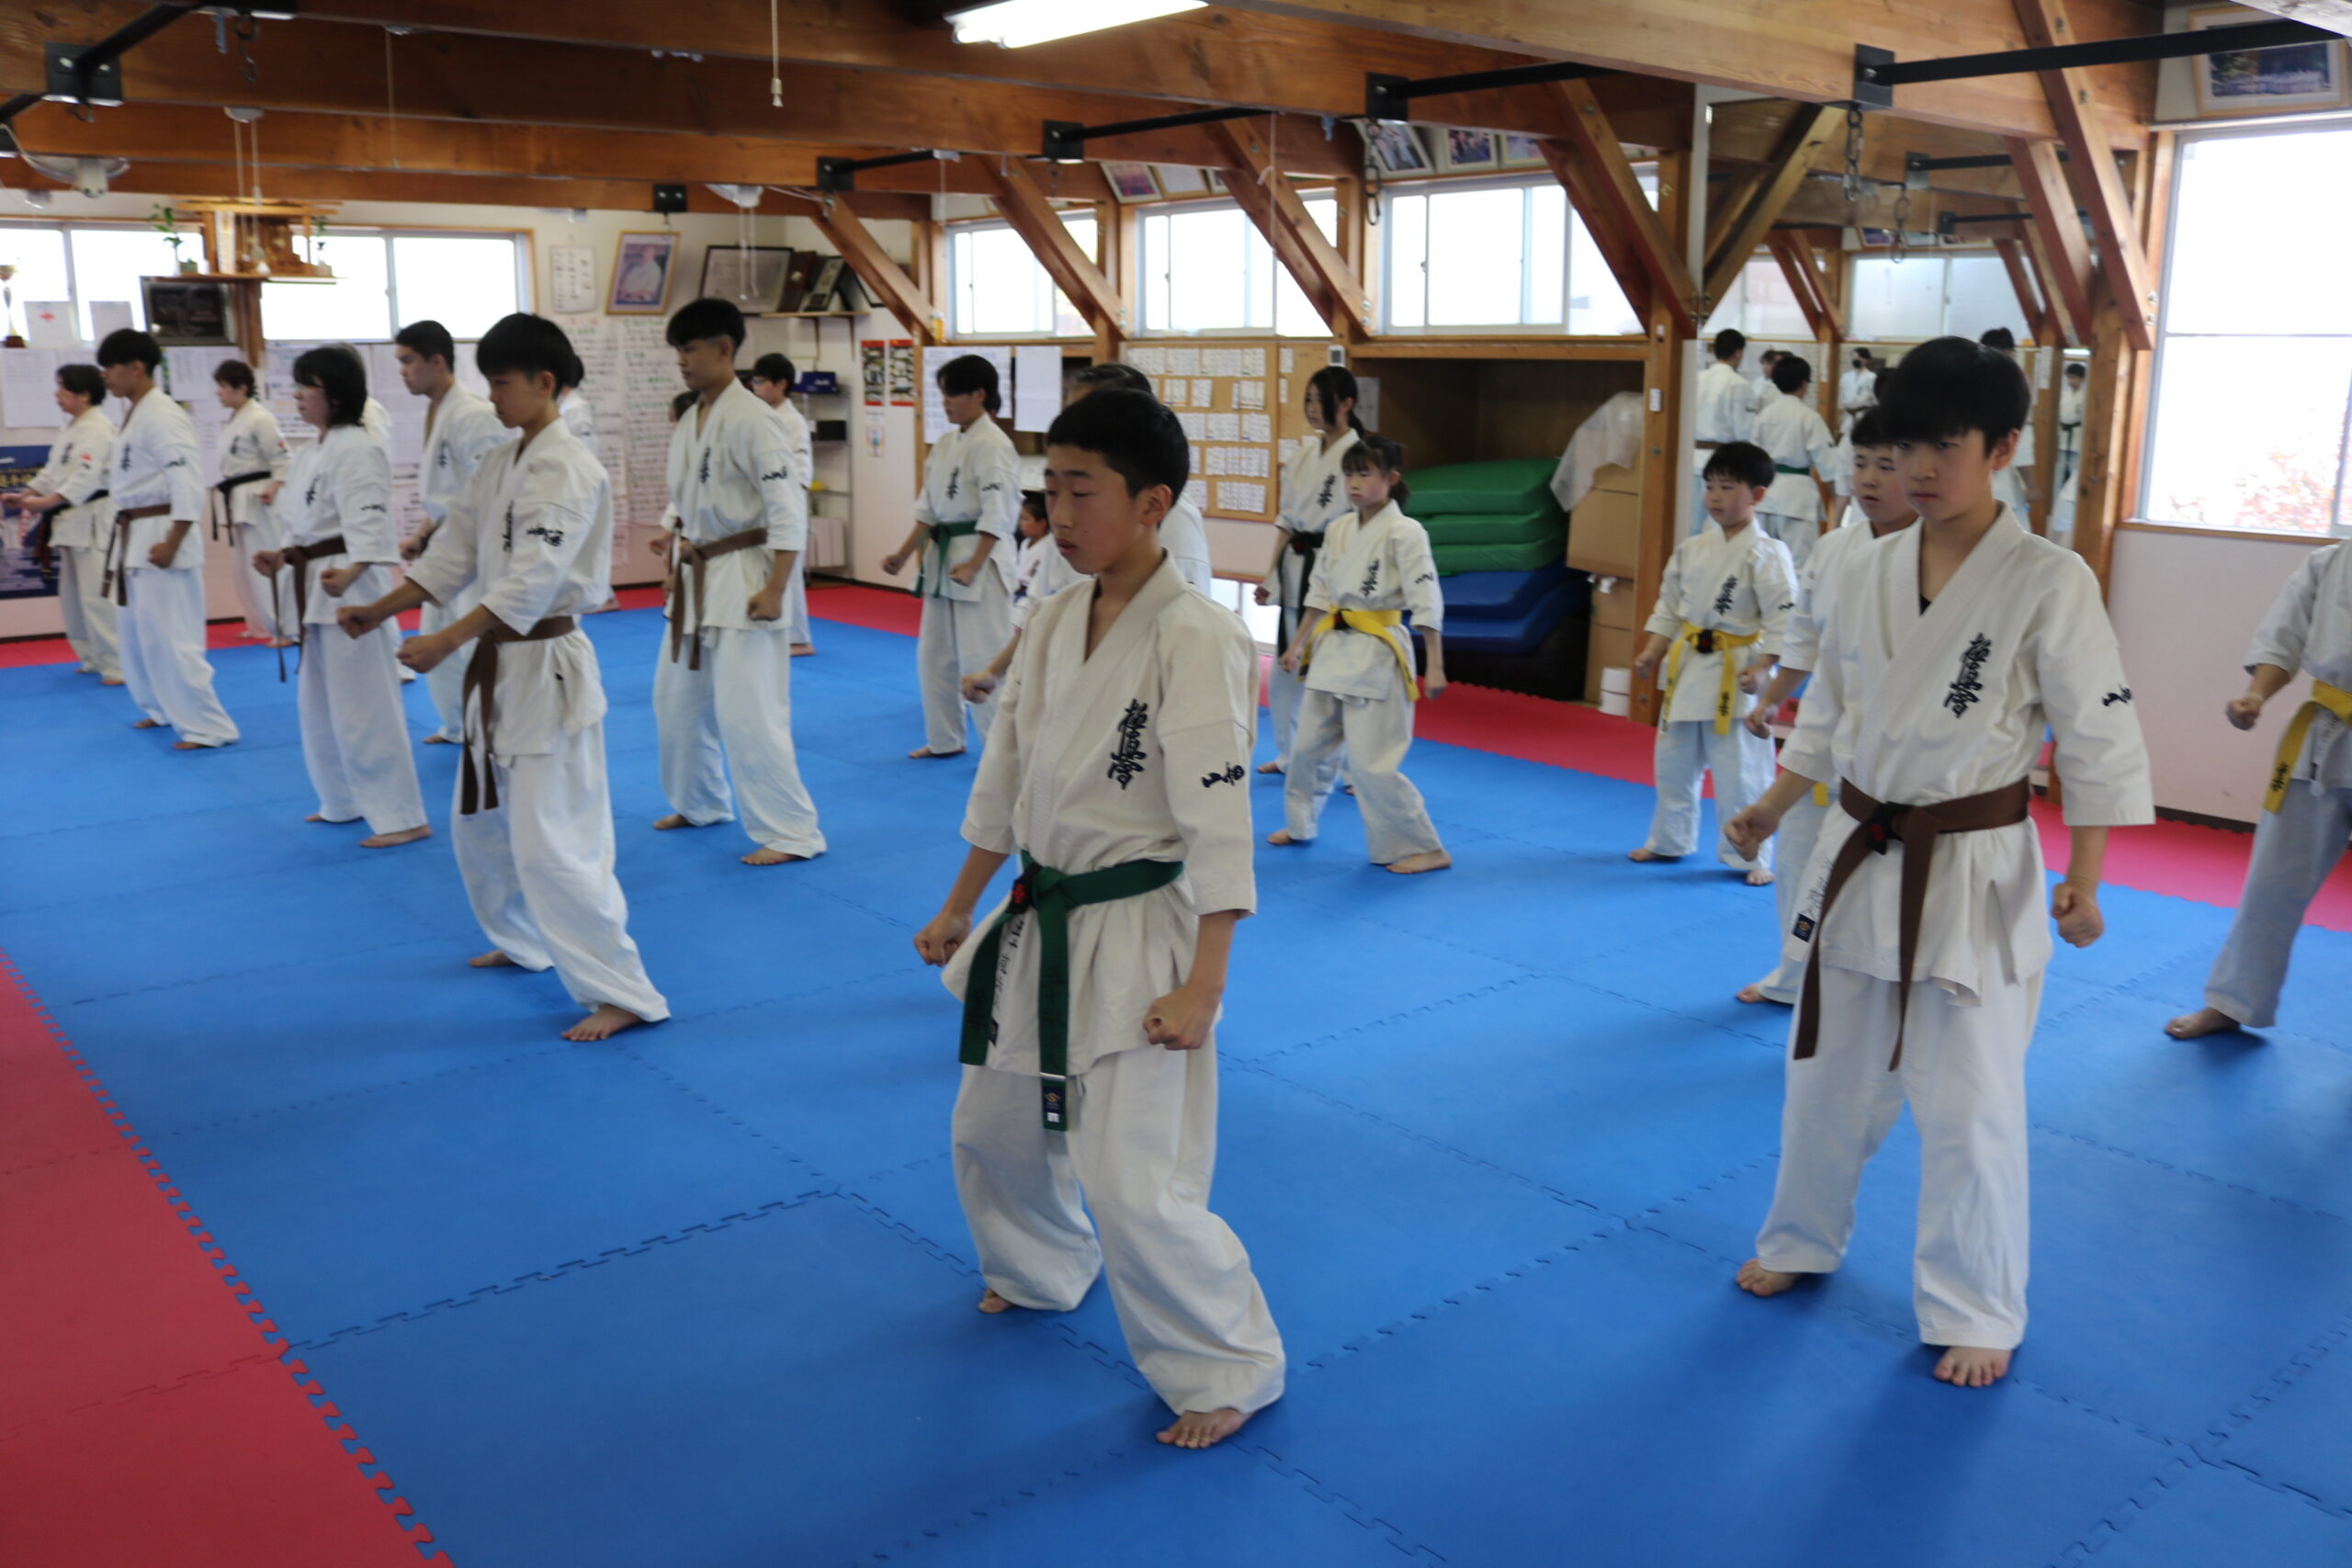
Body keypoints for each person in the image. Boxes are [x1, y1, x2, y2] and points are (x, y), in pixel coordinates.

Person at [1723, 335, 2152, 1389]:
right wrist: (1770, 806)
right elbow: (1828, 713)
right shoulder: (1860, 563)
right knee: (1824, 1075)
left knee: (1969, 1100)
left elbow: (2095, 737)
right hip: (1860, 850)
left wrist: (2086, 879)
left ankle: (1978, 1305)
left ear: (2001, 449)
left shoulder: (2048, 580)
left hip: (1970, 864)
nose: (1916, 469)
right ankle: (1799, 1238)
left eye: (1942, 447)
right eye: (1903, 445)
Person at [911, 387, 1283, 1452]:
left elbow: (1221, 818)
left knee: (1134, 1180)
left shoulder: (1197, 636)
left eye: (1083, 492)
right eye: (1052, 490)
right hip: (1039, 912)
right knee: (990, 1127)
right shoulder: (1052, 619)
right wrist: (960, 901)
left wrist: (1205, 983)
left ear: (1152, 503)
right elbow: (1006, 774)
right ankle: (1039, 1264)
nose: (1060, 514)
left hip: (1138, 929)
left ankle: (1227, 1364)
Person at [341, 313, 668, 1043]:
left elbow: (532, 580)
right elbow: (452, 554)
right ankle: (522, 940)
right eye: (487, 381)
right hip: (497, 668)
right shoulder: (500, 462)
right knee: (481, 825)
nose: (492, 396)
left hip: (544, 666)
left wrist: (445, 637)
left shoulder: (567, 467)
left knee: (555, 839)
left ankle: (624, 992)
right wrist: (379, 609)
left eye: (501, 382)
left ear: (544, 382)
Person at [1736, 410, 1917, 1006]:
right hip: (1823, 736)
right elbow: (1805, 638)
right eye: (1860, 463)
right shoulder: (1836, 546)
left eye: (1885, 466)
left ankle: (1866, 991)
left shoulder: (1940, 557)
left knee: (1876, 883)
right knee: (1797, 857)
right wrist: (1771, 699)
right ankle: (1794, 974)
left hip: (1896, 755)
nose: (1868, 478)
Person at [651, 297, 825, 866]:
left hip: (745, 576)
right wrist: (674, 568)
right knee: (675, 703)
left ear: (724, 350)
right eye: (678, 350)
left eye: (690, 349)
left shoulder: (755, 419)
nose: (682, 360)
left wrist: (776, 588)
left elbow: (788, 511)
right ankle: (700, 802)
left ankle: (792, 832)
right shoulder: (692, 420)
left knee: (750, 713)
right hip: (697, 576)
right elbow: (688, 508)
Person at [2165, 539, 2352, 1043]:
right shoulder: (2329, 563)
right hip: (2324, 736)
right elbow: (2283, 638)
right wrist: (2255, 695)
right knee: (2273, 881)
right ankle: (2234, 1001)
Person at [958, 366, 1215, 714]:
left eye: (1094, 413)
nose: (1080, 425)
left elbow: (1184, 627)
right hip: (1063, 681)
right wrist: (996, 670)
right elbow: (1041, 604)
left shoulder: (1173, 517)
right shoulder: (1071, 516)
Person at [253, 346, 430, 850]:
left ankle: (402, 816)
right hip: (314, 583)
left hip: (349, 589)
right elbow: (310, 525)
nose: (297, 397)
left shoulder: (359, 447)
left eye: (306, 387)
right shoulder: (311, 451)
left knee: (365, 707)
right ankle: (342, 799)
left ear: (334, 394)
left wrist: (353, 571)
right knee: (320, 707)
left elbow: (371, 522)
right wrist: (282, 555)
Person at [1265, 434, 1450, 874]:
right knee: (1307, 748)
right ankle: (1301, 823)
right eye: (1348, 473)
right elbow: (1320, 591)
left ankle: (1425, 847)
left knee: (1371, 765)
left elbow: (1426, 599)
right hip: (1332, 648)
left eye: (1364, 474)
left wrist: (1436, 665)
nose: (1353, 482)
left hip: (1378, 652)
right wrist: (1297, 644)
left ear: (1391, 479)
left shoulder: (1406, 532)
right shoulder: (1339, 528)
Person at [1630, 441, 1792, 884]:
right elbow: (1669, 606)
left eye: (1728, 487)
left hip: (1736, 673)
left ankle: (1750, 856)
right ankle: (1669, 840)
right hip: (1688, 669)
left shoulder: (1768, 553)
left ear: (1757, 495)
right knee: (1673, 763)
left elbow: (1784, 618)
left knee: (1740, 771)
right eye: (1710, 486)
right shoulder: (1692, 549)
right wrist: (1653, 650)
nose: (1716, 497)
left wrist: (1764, 667)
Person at [96, 328, 239, 750]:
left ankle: (209, 726)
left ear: (136, 367)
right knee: (140, 636)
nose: (104, 375)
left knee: (174, 639)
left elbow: (186, 481)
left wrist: (174, 539)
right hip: (135, 535)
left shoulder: (162, 414)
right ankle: (160, 707)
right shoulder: (136, 413)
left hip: (161, 534)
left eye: (109, 367)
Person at [883, 354, 1020, 759]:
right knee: (935, 657)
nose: (945, 402)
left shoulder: (994, 444)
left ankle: (1002, 755)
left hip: (981, 562)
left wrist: (976, 562)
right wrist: (902, 554)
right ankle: (945, 739)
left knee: (984, 659)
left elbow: (999, 510)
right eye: (942, 394)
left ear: (979, 395)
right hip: (943, 562)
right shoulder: (945, 444)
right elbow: (928, 509)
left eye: (953, 394)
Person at [393, 320, 511, 742]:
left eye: (409, 361)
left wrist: (442, 535)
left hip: (474, 547)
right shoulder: (438, 411)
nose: (403, 371)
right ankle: (458, 724)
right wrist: (422, 535)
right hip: (446, 541)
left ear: (437, 361)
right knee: (435, 634)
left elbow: (485, 492)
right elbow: (450, 495)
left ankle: (488, 726)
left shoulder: (473, 415)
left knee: (470, 637)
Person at [1255, 366, 1363, 777]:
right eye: (1309, 400)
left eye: (1322, 400)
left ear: (1347, 404)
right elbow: (1286, 521)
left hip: (1336, 565)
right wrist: (1271, 575)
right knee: (1287, 668)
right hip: (1296, 564)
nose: (1313, 408)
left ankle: (1352, 769)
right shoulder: (1302, 456)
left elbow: (1362, 521)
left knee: (1334, 671)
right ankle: (1289, 755)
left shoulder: (1360, 456)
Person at [3, 364, 120, 682]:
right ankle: (91, 657)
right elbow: (51, 472)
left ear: (84, 394)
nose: (56, 394)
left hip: (93, 519)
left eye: (63, 388)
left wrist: (44, 503)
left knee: (98, 596)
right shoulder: (72, 428)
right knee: (73, 597)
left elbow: (85, 479)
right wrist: (25, 494)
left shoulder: (98, 429)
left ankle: (116, 664)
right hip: (70, 520)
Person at [209, 359, 291, 646]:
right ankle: (259, 624)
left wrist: (275, 487)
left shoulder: (260, 418)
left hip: (259, 498)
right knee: (243, 569)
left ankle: (285, 628)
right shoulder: (236, 418)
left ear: (241, 388)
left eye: (223, 387)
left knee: (265, 564)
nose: (218, 392)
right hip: (239, 497)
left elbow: (283, 458)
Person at [746, 352, 818, 656]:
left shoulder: (794, 421)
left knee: (789, 574)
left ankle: (799, 639)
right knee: (767, 571)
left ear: (781, 384)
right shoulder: (760, 417)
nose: (756, 387)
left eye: (761, 381)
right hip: (764, 505)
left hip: (787, 505)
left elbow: (801, 472)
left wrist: (786, 506)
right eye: (754, 381)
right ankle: (774, 629)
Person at [1752, 355, 1839, 570]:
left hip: (1764, 495)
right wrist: (1836, 499)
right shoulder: (1809, 417)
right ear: (1804, 384)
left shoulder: (1764, 415)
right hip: (1797, 499)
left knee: (1762, 564)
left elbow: (1752, 456)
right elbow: (1828, 465)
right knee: (1799, 567)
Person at [1692, 329, 1760, 536]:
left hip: (1692, 459)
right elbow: (1744, 431)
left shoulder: (1696, 378)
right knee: (1722, 525)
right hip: (1723, 465)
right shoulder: (1738, 384)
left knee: (1689, 525)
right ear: (1738, 352)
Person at [1979, 329, 2036, 528]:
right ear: (2008, 353)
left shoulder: (1966, 381)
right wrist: (2031, 485)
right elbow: (2021, 438)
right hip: (2000, 475)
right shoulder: (2014, 385)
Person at [1837, 349, 1878, 441]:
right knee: (1844, 440)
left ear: (1867, 360)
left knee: (1861, 439)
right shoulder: (1846, 376)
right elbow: (1841, 398)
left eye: (1860, 357)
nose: (1856, 359)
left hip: (1863, 414)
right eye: (1854, 357)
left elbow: (1875, 400)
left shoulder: (1871, 377)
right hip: (1847, 414)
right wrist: (1839, 416)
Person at [2056, 361, 2085, 487]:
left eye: (2073, 377)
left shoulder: (2085, 396)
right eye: (2069, 377)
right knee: (2059, 470)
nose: (2070, 380)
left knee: (2074, 470)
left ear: (2082, 379)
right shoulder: (2064, 395)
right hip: (2063, 435)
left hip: (2076, 435)